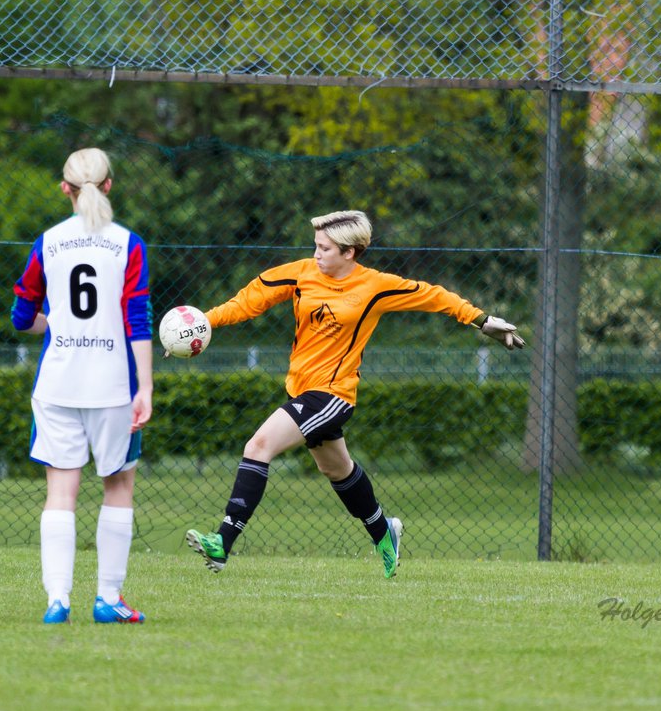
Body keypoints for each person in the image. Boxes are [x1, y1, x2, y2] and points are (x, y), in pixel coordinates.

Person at [184, 210, 525, 578]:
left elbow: (434, 297)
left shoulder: (375, 286)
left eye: (325, 248)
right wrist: (198, 326)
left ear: (351, 252)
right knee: (336, 468)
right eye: (315, 246)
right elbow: (247, 302)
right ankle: (384, 532)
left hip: (333, 394)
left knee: (258, 446)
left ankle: (222, 542)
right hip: (302, 388)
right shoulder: (300, 274)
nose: (316, 254)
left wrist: (482, 320)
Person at [11, 147, 153, 625]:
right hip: (114, 386)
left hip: (58, 385)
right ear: (109, 185)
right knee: (118, 485)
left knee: (60, 493)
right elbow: (137, 321)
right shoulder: (128, 243)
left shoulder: (47, 242)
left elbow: (21, 317)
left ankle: (58, 600)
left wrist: (54, 325)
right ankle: (108, 598)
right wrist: (146, 387)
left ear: (65, 189)